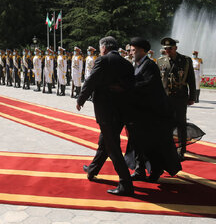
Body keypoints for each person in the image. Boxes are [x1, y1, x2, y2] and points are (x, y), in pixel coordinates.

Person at [77, 36, 135, 196]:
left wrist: (81, 99)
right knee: (105, 141)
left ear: (104, 47)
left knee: (112, 147)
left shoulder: (103, 61)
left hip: (105, 111)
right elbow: (131, 85)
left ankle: (126, 183)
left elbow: (91, 81)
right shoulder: (126, 63)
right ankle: (93, 169)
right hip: (121, 112)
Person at [125, 37, 181, 182]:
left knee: (151, 145)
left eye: (133, 50)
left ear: (142, 51)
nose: (131, 52)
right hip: (139, 114)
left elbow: (147, 85)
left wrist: (127, 87)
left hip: (151, 114)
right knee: (137, 143)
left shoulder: (149, 65)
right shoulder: (137, 64)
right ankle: (139, 170)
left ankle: (155, 171)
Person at [160, 37, 196, 161]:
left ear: (176, 48)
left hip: (180, 98)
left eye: (170, 48)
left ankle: (181, 150)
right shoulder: (161, 61)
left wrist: (192, 97)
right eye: (165, 48)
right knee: (166, 125)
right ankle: (169, 148)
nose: (168, 50)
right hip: (166, 98)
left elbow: (191, 79)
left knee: (181, 124)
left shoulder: (185, 61)